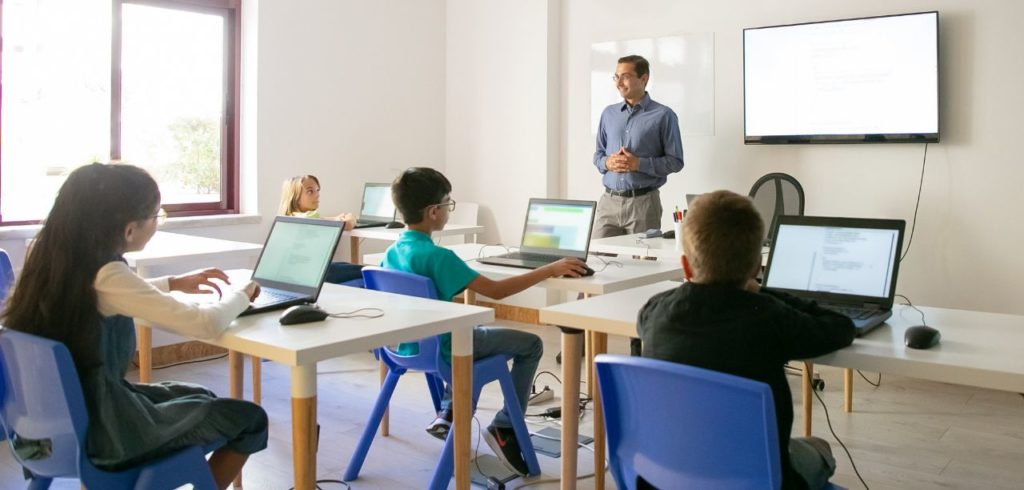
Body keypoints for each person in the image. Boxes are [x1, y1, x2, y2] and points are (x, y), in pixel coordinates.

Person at [1, 163, 268, 490]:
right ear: (129, 230)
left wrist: (171, 282)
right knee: (249, 420)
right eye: (157, 216)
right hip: (103, 432)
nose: (157, 223)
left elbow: (107, 295)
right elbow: (206, 323)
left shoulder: (51, 259)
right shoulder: (107, 274)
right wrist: (245, 293)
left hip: (47, 431)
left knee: (197, 393)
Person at [636, 190, 854, 490]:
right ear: (755, 268)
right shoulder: (769, 318)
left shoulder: (653, 312)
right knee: (819, 447)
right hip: (757, 478)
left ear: (686, 266)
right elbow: (840, 326)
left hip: (668, 474)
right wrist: (763, 291)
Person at [384, 167, 587, 476]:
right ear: (433, 212)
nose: (449, 209)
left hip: (407, 349)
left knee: (468, 329)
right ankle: (504, 427)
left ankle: (450, 411)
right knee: (530, 344)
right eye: (448, 204)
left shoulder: (392, 252)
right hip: (446, 351)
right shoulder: (439, 257)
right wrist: (550, 269)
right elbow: (497, 291)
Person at [592, 54, 684, 238]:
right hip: (608, 203)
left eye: (625, 76)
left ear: (644, 78)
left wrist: (638, 164)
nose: (619, 83)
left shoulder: (664, 115)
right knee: (596, 258)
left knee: (642, 264)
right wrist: (607, 163)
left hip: (643, 205)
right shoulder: (608, 114)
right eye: (616, 77)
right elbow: (598, 155)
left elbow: (675, 161)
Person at [279, 174, 363, 285]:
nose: (317, 195)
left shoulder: (289, 217)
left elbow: (323, 219)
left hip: (298, 273)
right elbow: (347, 225)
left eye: (317, 190)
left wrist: (336, 218)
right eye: (310, 192)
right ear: (295, 197)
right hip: (316, 273)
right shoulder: (310, 218)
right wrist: (352, 219)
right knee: (364, 271)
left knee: (344, 265)